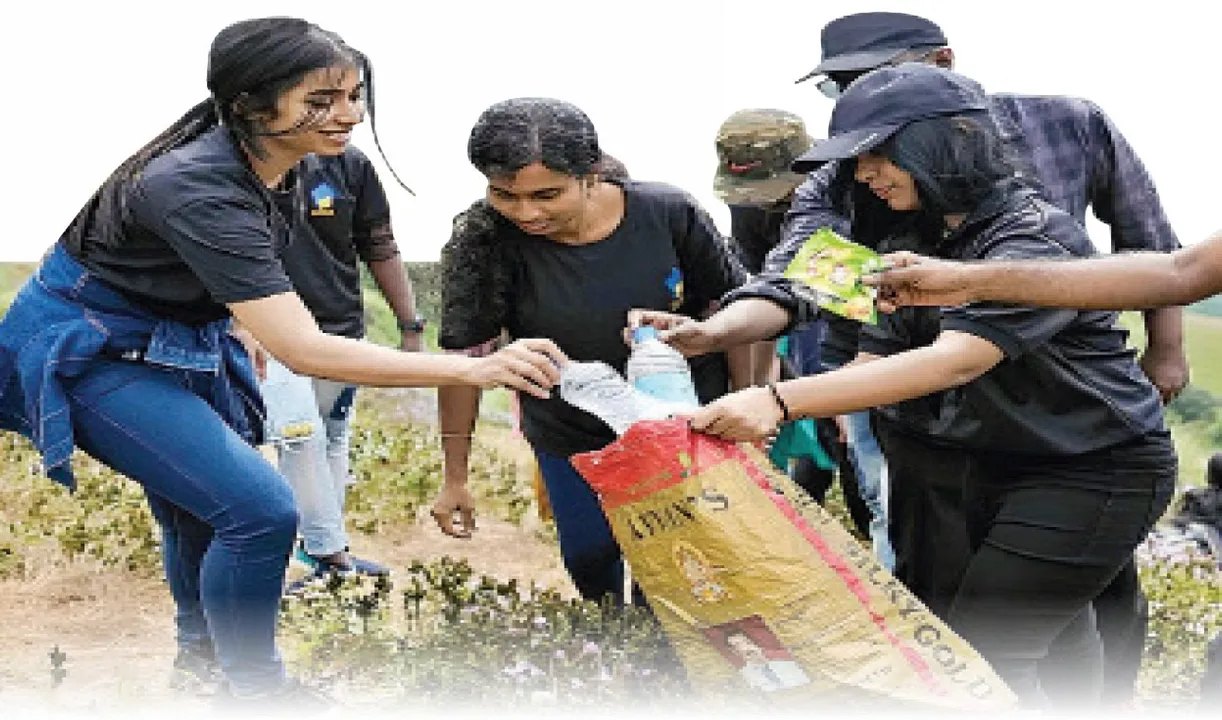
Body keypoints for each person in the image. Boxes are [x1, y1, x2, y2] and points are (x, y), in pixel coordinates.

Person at [0, 18, 564, 705]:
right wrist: (470, 368)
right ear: (249, 102)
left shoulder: (282, 166)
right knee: (260, 509)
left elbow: (242, 283)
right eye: (322, 99)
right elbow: (305, 347)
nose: (348, 114)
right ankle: (260, 693)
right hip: (94, 346)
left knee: (199, 511)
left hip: (180, 337)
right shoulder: (191, 183)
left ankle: (202, 669)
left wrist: (247, 326)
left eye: (355, 95)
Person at [637, 11, 1183, 705]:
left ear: (940, 143)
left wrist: (778, 401)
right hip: (960, 454)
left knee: (988, 656)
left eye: (878, 154)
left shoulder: (1031, 234)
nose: (860, 173)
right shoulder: (896, 229)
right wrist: (713, 335)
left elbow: (957, 358)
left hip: (1081, 460)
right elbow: (809, 292)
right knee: (970, 648)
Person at [430, 98, 749, 605]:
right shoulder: (484, 239)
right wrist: (455, 478)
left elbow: (736, 315)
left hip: (681, 427)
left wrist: (747, 405)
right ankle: (610, 647)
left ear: (592, 174)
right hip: (568, 429)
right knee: (589, 555)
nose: (526, 212)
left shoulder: (668, 214)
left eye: (547, 194)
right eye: (504, 194)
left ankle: (661, 661)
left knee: (673, 565)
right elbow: (464, 363)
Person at [260, 144, 422, 586]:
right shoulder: (244, 162)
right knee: (298, 433)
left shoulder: (351, 166)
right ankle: (327, 553)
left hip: (339, 329)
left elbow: (379, 244)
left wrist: (409, 325)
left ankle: (324, 555)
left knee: (331, 436)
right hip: (270, 329)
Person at [712, 108, 876, 546]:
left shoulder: (854, 189)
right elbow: (764, 298)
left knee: (859, 458)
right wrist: (755, 390)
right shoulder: (749, 205)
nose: (768, 201)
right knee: (814, 438)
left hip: (866, 323)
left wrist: (854, 383)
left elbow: (861, 298)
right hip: (799, 325)